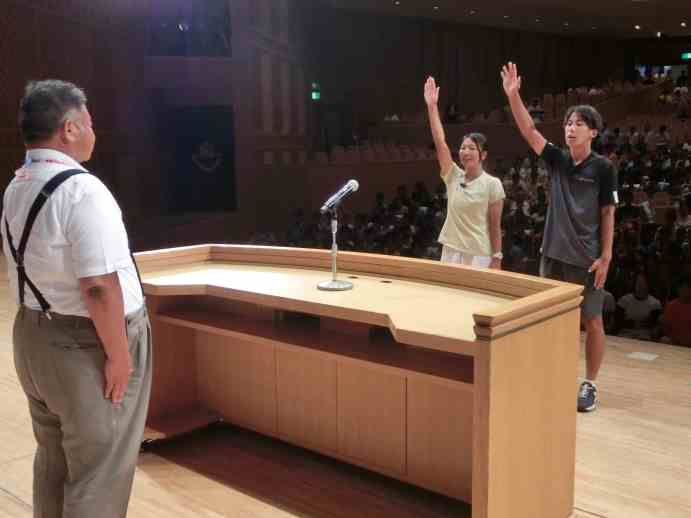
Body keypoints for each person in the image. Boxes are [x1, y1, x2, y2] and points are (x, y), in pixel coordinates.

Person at [1, 80, 152, 517]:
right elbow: (99, 286)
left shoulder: (18, 184)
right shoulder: (82, 190)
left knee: (54, 460)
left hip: (33, 337)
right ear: (69, 129)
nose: (93, 132)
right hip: (86, 345)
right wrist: (119, 355)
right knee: (98, 475)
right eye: (89, 123)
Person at [501, 62, 617, 412]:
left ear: (593, 132)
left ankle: (590, 384)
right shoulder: (557, 160)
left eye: (579, 123)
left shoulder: (603, 168)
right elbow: (529, 130)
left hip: (587, 259)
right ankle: (550, 376)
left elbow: (607, 213)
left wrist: (606, 256)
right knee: (548, 320)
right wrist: (513, 95)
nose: (571, 128)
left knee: (592, 321)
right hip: (552, 253)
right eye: (568, 123)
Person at [424, 76, 505, 269]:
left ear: (483, 155)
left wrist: (497, 257)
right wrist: (432, 107)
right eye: (462, 148)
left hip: (479, 255)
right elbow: (440, 142)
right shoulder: (453, 175)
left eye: (472, 148)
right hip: (451, 251)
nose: (466, 152)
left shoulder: (492, 184)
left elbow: (495, 226)